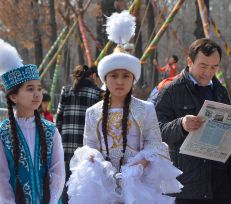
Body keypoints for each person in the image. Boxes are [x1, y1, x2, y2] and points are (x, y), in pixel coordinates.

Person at [67, 10, 182, 204]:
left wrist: (140, 165)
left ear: (133, 80)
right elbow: (89, 145)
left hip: (139, 186)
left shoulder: (145, 109)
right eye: (114, 76)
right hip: (103, 186)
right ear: (105, 79)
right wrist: (95, 159)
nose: (119, 81)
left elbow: (155, 143)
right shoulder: (93, 112)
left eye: (125, 76)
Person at [155, 38, 231, 204]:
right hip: (188, 185)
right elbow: (156, 131)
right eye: (203, 66)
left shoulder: (220, 91)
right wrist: (181, 125)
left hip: (220, 182)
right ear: (189, 61)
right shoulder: (170, 91)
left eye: (214, 67)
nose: (208, 72)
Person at [0, 39, 65, 203]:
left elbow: (58, 171)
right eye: (30, 89)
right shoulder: (3, 133)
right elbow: (1, 178)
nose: (37, 94)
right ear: (14, 96)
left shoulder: (50, 130)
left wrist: (51, 200)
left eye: (39, 88)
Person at [55, 64, 103, 203]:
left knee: (66, 183)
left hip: (66, 146)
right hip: (87, 149)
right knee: (84, 184)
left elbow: (58, 120)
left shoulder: (66, 91)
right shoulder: (98, 94)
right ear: (93, 76)